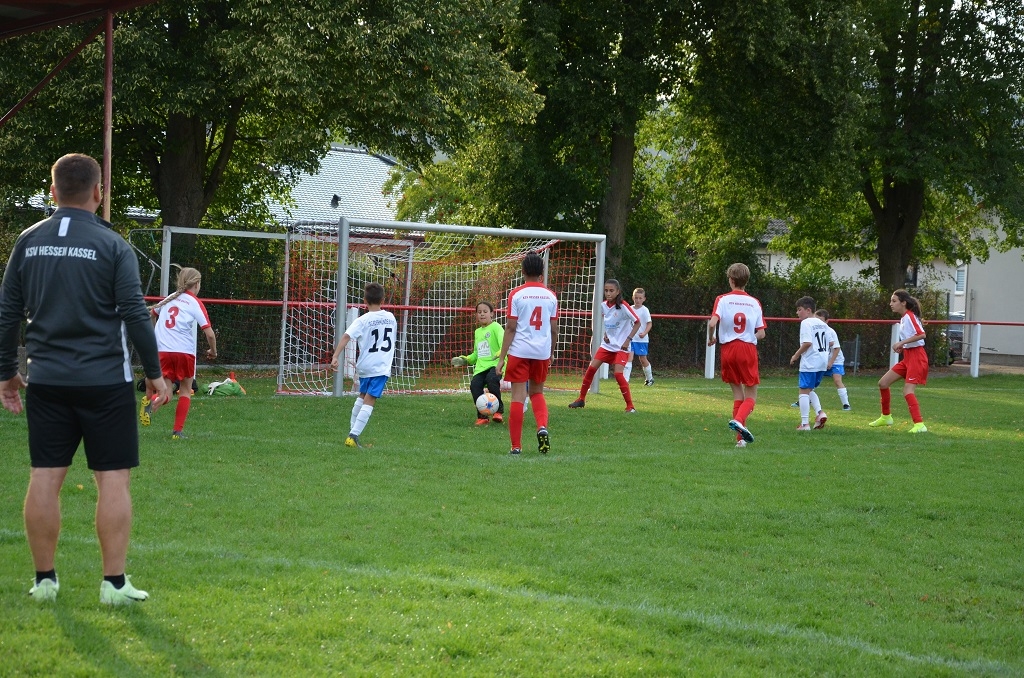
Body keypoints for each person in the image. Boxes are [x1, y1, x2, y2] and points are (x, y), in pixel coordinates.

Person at [0, 153, 170, 605]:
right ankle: (113, 585)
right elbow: (134, 312)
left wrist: (6, 372)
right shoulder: (113, 245)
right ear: (99, 192)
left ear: (52, 191)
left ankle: (44, 582)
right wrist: (155, 374)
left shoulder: (28, 240)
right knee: (113, 479)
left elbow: (8, 312)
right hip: (104, 382)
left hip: (47, 380)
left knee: (44, 475)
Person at [141, 267, 217, 439]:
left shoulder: (170, 298)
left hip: (162, 351)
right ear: (196, 284)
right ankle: (177, 432)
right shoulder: (195, 302)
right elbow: (210, 334)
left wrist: (155, 334)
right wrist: (213, 351)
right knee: (185, 390)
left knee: (166, 393)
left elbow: (152, 314)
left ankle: (150, 402)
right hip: (184, 352)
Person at [496, 252, 558, 455]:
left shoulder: (516, 294)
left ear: (522, 271)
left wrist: (502, 358)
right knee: (537, 393)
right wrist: (551, 352)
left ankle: (516, 447)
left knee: (518, 396)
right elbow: (554, 329)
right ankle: (542, 426)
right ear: (542, 272)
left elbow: (511, 327)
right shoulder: (551, 296)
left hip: (519, 351)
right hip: (541, 352)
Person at [330, 282, 398, 447]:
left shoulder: (362, 320)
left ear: (365, 301)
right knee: (370, 399)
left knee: (362, 396)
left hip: (364, 365)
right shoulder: (391, 318)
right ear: (382, 300)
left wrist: (335, 356)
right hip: (380, 366)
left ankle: (352, 431)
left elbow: (346, 336)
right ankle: (353, 436)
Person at [707, 263, 766, 447]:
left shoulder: (722, 299)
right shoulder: (754, 302)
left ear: (731, 280)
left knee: (737, 394)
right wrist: (750, 337)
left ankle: (740, 440)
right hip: (747, 349)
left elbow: (712, 323)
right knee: (751, 395)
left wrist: (711, 338)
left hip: (728, 350)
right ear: (746, 281)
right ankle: (739, 420)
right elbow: (761, 333)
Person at [568, 279, 641, 412]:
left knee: (618, 374)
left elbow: (637, 322)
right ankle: (581, 399)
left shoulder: (623, 306)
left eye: (611, 290)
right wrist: (606, 334)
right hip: (607, 345)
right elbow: (607, 322)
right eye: (606, 290)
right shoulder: (603, 306)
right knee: (591, 369)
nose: (608, 293)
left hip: (622, 347)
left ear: (618, 292)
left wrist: (628, 340)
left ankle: (630, 406)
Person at [869, 289, 929, 433]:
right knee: (883, 383)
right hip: (908, 357)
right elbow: (913, 338)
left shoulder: (909, 316)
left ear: (903, 303)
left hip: (917, 358)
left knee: (908, 390)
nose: (891, 304)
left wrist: (902, 343)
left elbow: (922, 335)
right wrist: (904, 346)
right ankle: (886, 417)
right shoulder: (904, 318)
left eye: (894, 301)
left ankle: (919, 425)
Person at [452, 301, 505, 425]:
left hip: (496, 364)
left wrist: (499, 354)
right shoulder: (477, 332)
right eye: (479, 312)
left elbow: (504, 344)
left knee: (492, 379)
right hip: (481, 367)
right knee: (475, 385)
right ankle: (482, 416)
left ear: (492, 314)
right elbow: (477, 354)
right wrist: (465, 359)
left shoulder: (496, 327)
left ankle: (498, 411)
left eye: (485, 311)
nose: (482, 314)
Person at [790, 297, 830, 431]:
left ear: (808, 310)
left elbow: (807, 343)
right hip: (822, 361)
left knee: (803, 391)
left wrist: (796, 355)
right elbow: (829, 342)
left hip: (811, 361)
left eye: (799, 309)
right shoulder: (822, 324)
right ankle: (820, 413)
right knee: (809, 389)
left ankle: (804, 424)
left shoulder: (806, 323)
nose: (797, 313)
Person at [815, 309, 851, 410]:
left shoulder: (830, 332)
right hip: (823, 360)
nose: (819, 322)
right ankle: (803, 399)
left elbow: (837, 348)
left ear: (827, 321)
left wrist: (831, 362)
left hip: (836, 360)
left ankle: (846, 404)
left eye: (821, 320)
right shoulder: (814, 331)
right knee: (813, 381)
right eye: (817, 320)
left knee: (837, 380)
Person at [623, 287, 654, 386]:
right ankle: (625, 381)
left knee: (643, 359)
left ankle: (650, 379)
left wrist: (644, 333)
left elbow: (649, 323)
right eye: (636, 298)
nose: (638, 300)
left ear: (644, 299)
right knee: (629, 357)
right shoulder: (629, 309)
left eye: (640, 298)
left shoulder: (645, 310)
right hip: (631, 338)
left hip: (641, 340)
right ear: (633, 298)